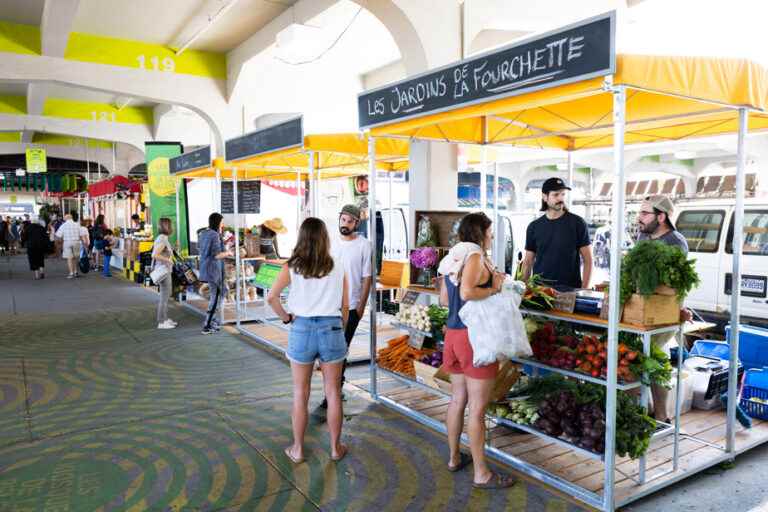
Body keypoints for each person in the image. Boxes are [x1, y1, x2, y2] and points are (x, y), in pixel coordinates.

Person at [438, 212, 515, 489]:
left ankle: (454, 458)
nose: (492, 236)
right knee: (478, 411)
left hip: (454, 335)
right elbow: (469, 292)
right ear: (480, 233)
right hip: (474, 339)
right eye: (490, 232)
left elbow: (446, 298)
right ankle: (482, 473)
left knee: (458, 400)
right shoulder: (474, 257)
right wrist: (494, 288)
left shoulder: (451, 258)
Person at [266, 217, 350, 464]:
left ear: (301, 237)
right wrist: (339, 328)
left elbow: (272, 297)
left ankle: (298, 449)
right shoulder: (337, 265)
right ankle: (335, 449)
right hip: (332, 327)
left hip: (301, 328)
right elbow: (346, 306)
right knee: (333, 392)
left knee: (300, 393)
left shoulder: (292, 266)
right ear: (325, 238)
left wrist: (286, 319)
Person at [636, 194, 691, 421]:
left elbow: (672, 285)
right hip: (641, 309)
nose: (639, 218)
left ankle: (660, 416)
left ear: (661, 216)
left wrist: (648, 286)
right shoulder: (643, 236)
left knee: (651, 359)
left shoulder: (675, 242)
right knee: (644, 359)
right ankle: (650, 411)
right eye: (639, 212)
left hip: (664, 312)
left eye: (644, 213)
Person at [315, 204, 372, 416]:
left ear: (357, 223)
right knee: (332, 348)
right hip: (330, 304)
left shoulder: (365, 246)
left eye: (350, 221)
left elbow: (367, 278)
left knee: (341, 347)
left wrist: (362, 305)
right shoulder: (330, 244)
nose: (345, 224)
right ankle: (336, 388)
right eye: (343, 219)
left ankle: (333, 392)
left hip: (353, 305)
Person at [521, 177, 592, 289]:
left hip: (570, 293)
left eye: (563, 194)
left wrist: (584, 290)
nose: (561, 198)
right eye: (556, 195)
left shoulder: (578, 223)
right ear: (545, 197)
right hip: (540, 292)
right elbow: (528, 262)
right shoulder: (533, 227)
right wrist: (522, 289)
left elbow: (588, 260)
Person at [198, 212, 232, 334]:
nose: (223, 224)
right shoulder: (214, 235)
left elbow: (202, 249)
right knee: (216, 296)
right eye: (222, 222)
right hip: (214, 270)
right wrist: (228, 253)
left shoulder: (203, 233)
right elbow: (217, 255)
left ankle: (213, 322)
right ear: (218, 222)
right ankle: (207, 325)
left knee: (222, 292)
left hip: (208, 269)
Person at [152, 218, 177, 329]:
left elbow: (164, 253)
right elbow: (155, 254)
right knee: (164, 297)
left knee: (165, 296)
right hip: (164, 270)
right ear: (167, 226)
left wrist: (174, 248)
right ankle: (162, 321)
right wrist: (168, 260)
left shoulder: (163, 238)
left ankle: (165, 318)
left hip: (165, 270)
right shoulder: (162, 239)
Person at [55, 212, 87, 278]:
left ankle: (71, 273)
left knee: (69, 258)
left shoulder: (63, 225)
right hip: (76, 242)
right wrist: (84, 243)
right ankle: (75, 272)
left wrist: (59, 243)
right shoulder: (77, 224)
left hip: (67, 242)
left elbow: (58, 235)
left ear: (66, 218)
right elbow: (81, 235)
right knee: (75, 258)